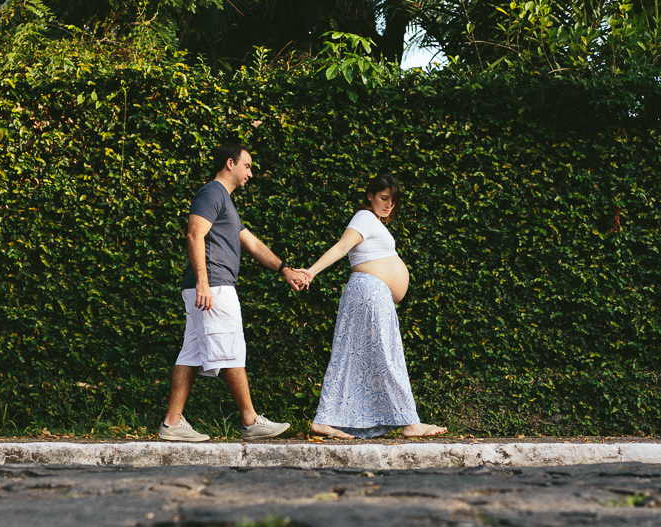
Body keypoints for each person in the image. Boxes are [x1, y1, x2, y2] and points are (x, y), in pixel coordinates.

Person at [159, 142, 302, 442]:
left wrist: (285, 269)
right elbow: (194, 233)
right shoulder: (212, 193)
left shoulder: (226, 203)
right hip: (213, 286)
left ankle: (171, 423)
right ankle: (250, 421)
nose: (251, 173)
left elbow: (252, 243)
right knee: (230, 350)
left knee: (192, 353)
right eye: (247, 166)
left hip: (212, 285)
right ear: (229, 164)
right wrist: (203, 281)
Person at [289, 173, 447, 439]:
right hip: (369, 292)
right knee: (388, 354)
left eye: (393, 202)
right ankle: (409, 422)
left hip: (369, 292)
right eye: (384, 198)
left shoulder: (374, 222)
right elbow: (341, 248)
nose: (389, 205)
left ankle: (325, 419)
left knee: (351, 357)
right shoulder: (364, 217)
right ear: (370, 196)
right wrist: (312, 272)